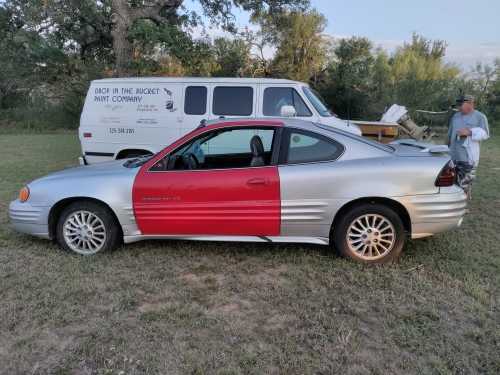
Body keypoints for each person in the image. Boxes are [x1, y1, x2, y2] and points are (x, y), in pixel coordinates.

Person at [447, 94, 490, 168]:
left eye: (461, 105)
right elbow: (449, 135)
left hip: (467, 158)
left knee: (466, 178)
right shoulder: (455, 116)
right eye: (458, 105)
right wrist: (445, 150)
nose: (459, 107)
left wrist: (470, 132)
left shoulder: (480, 117)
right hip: (452, 155)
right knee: (452, 178)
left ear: (470, 103)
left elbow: (486, 134)